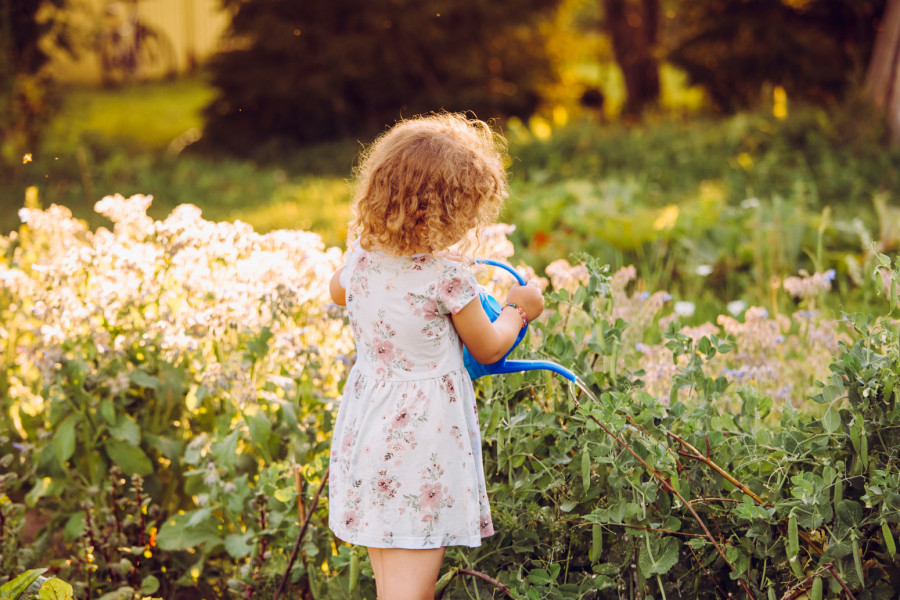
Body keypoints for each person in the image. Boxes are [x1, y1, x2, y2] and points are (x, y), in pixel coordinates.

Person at [327, 113, 544, 599]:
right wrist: (519, 309)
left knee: (394, 584)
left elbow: (337, 292)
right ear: (442, 213)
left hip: (370, 431)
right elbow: (488, 346)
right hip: (421, 444)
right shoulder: (448, 278)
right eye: (465, 212)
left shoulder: (360, 259)